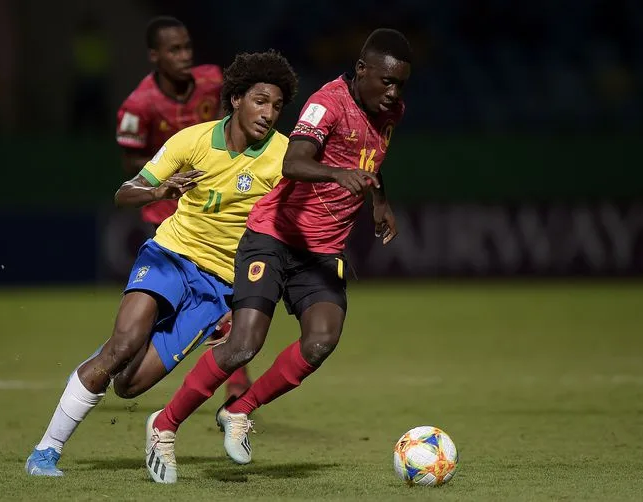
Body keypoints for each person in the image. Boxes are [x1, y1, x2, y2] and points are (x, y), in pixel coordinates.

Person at [146, 28, 412, 483]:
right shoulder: (327, 102)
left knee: (321, 341)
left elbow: (372, 159)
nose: (393, 92)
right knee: (244, 343)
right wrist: (336, 173)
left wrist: (379, 200)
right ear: (362, 69)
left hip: (323, 251)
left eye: (401, 84)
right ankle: (164, 425)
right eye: (386, 81)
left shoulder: (391, 112)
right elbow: (294, 162)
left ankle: (239, 410)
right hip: (272, 235)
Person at [25, 50, 298, 478]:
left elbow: (286, 233)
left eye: (278, 107)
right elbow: (125, 191)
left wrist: (242, 301)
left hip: (219, 289)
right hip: (170, 256)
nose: (269, 114)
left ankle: (118, 352)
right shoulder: (191, 141)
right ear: (236, 99)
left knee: (129, 385)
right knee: (122, 345)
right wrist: (159, 192)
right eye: (261, 101)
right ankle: (45, 451)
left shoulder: (283, 158)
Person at [115, 15, 251, 398]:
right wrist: (170, 169)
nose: (185, 56)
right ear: (154, 56)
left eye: (188, 46)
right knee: (180, 297)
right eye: (174, 50)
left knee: (229, 290)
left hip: (215, 204)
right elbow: (131, 166)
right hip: (167, 214)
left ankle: (235, 381)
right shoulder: (137, 106)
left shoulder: (213, 81)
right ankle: (141, 345)